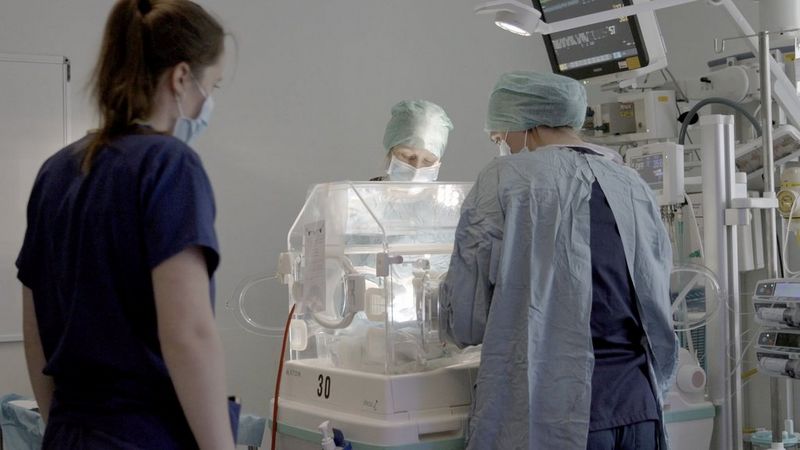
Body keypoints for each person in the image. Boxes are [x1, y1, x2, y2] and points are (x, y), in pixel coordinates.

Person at [16, 1, 237, 448]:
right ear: (180, 78)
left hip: (69, 432)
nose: (207, 102)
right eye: (210, 86)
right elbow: (188, 335)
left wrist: (59, 426)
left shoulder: (57, 170)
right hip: (144, 433)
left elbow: (35, 332)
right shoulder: (168, 165)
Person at [439, 71, 678, 450]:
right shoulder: (632, 184)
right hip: (639, 406)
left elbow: (468, 322)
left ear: (525, 126)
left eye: (499, 135)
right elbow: (656, 295)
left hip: (558, 417)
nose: (501, 143)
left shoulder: (505, 179)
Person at [371, 99, 453, 181]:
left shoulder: (449, 193)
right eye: (407, 156)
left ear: (437, 163)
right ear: (390, 152)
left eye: (428, 160)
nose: (416, 169)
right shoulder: (365, 193)